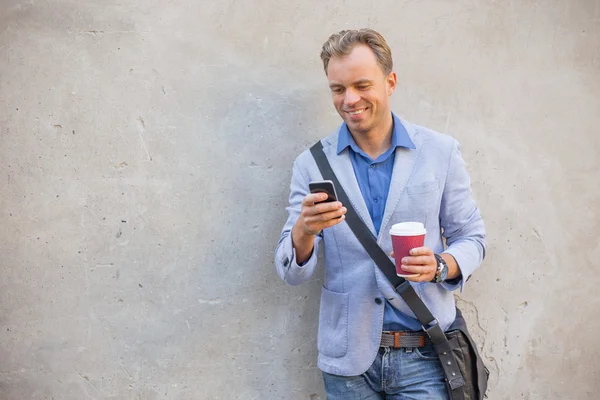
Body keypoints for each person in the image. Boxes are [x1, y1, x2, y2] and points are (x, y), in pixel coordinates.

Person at [274, 29, 486, 399]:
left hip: (426, 356)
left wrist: (440, 265)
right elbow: (289, 271)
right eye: (338, 89)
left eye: (361, 85)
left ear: (390, 82)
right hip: (349, 363)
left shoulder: (440, 151)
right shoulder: (312, 164)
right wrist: (304, 231)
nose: (349, 99)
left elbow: (473, 238)